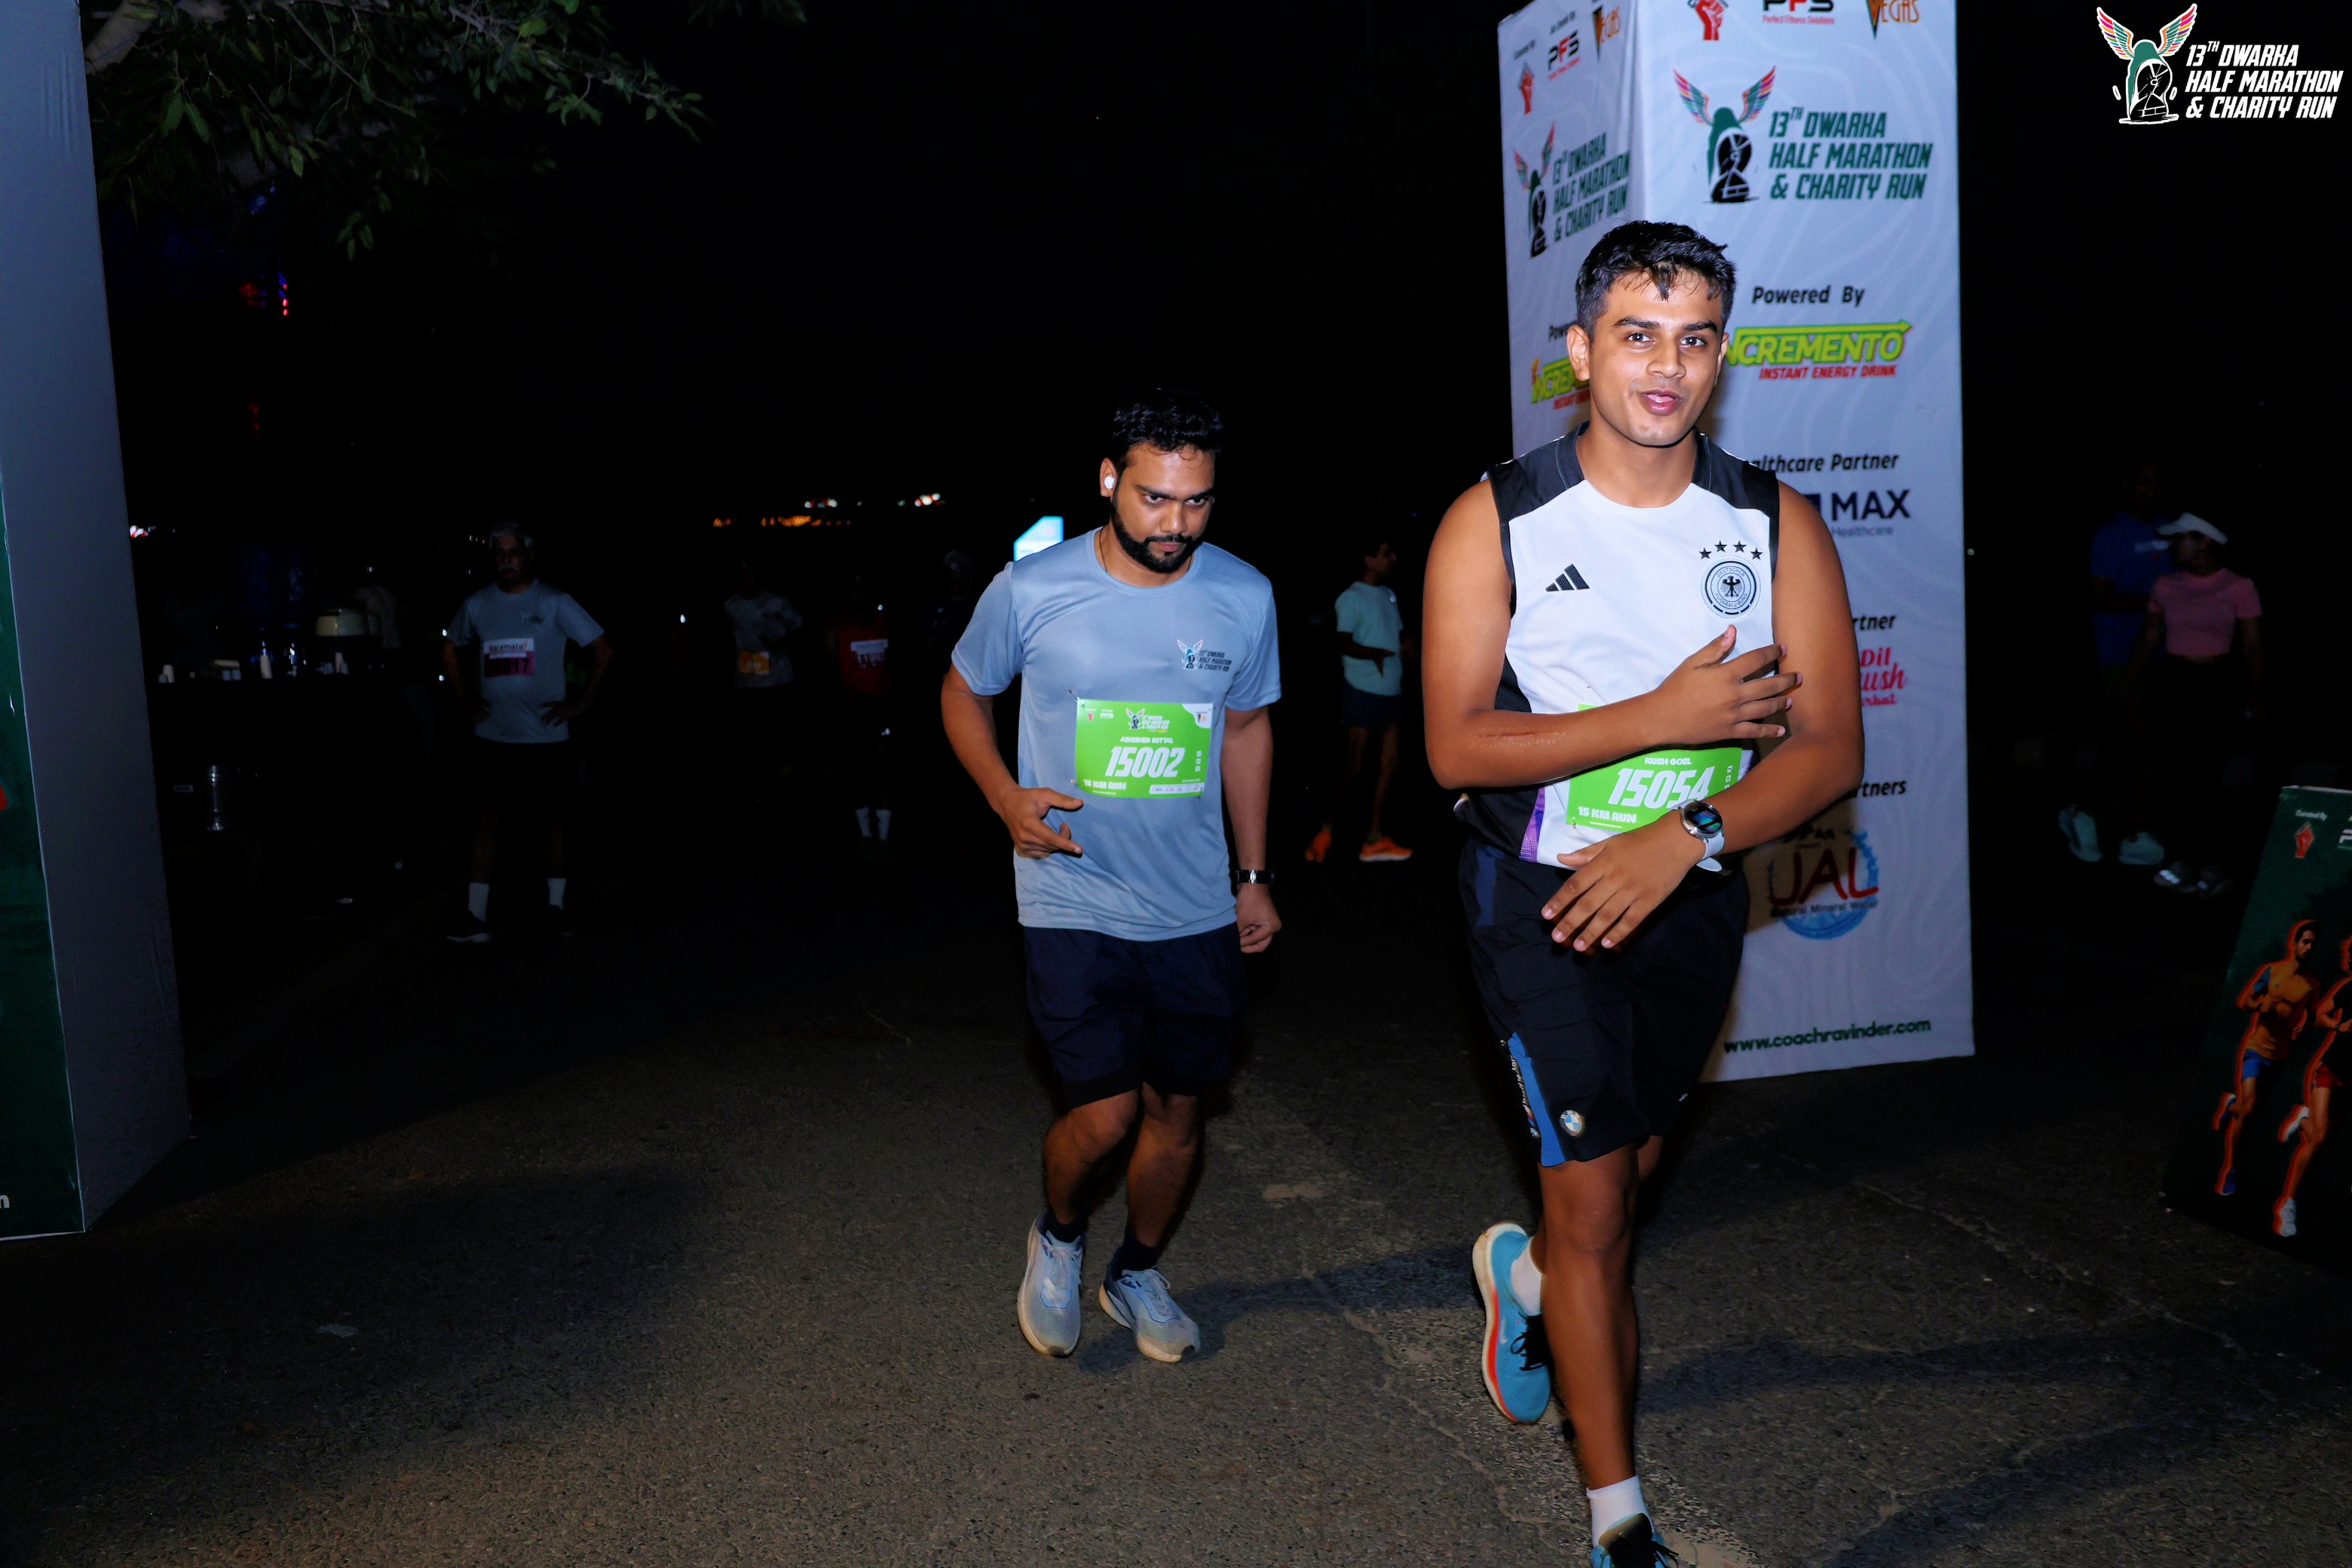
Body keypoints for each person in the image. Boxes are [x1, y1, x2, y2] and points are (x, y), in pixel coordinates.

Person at [1420, 222, 1861, 1568]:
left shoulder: (1773, 521)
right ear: (1580, 351)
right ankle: (1620, 1520)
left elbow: (1831, 750)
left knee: (1631, 1164)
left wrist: (1691, 834)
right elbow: (1456, 745)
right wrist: (1659, 716)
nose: (1666, 368)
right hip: (1537, 896)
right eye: (1636, 336)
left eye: (1694, 339)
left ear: (1720, 356)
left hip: (1692, 888)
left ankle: (1526, 1277)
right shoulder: (1497, 517)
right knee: (1599, 1206)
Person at [942, 389, 1280, 1364]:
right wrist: (1005, 796)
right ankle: (1057, 1236)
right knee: (1104, 1112)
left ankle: (1134, 1271)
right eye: (1154, 498)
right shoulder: (1031, 588)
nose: (1176, 523)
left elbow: (1247, 730)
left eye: (1196, 502)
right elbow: (963, 690)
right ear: (1108, 480)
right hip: (1070, 891)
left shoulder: (1244, 596)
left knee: (1178, 1110)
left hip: (1193, 904)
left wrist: (1254, 873)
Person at [441, 525, 614, 941]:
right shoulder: (478, 603)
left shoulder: (554, 601)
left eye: (514, 551)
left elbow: (604, 650)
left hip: (546, 737)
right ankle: (475, 914)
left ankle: (555, 907)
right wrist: (464, 699)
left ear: (529, 556)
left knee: (554, 819)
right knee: (486, 820)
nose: (507, 559)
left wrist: (579, 705)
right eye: (499, 553)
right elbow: (450, 647)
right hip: (493, 735)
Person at [2122, 513, 2263, 897]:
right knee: (2176, 775)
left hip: (2216, 684)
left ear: (2203, 541)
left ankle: (2210, 863)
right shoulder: (2165, 585)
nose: (2173, 546)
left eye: (2180, 538)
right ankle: (2181, 859)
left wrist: (2256, 691)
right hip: (2173, 682)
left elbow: (2252, 643)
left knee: (2207, 774)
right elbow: (2150, 636)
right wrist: (2128, 684)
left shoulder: (2238, 585)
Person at [2059, 460, 2173, 865]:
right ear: (2128, 485)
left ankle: (2132, 831)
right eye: (2143, 480)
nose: (2150, 487)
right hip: (2120, 654)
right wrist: (2155, 603)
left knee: (2141, 743)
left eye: (2156, 480)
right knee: (2134, 739)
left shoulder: (2168, 530)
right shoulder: (2110, 534)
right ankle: (2088, 812)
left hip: (2164, 652)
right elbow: (2100, 597)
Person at [1304, 537, 1413, 865]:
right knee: (1355, 767)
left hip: (1392, 689)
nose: (1393, 559)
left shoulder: (1389, 594)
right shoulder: (1350, 597)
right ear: (1368, 559)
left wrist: (1406, 648)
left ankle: (1374, 839)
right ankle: (1325, 829)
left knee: (1391, 765)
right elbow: (1343, 642)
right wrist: (1376, 653)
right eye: (1386, 554)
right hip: (1362, 690)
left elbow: (1395, 637)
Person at [2212, 919, 2317, 1198]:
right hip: (2256, 1049)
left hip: (2279, 1056)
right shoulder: (2272, 971)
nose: (2308, 947)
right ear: (2294, 944)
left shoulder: (2312, 985)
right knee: (2248, 1111)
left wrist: (2303, 1028)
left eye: (2313, 944)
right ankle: (2231, 1171)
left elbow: (2312, 1015)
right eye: (2305, 941)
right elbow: (2245, 1000)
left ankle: (2231, 1105)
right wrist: (2260, 1005)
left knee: (2250, 1110)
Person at [2274, 934, 2346, 1238]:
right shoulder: (2350, 987)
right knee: (2317, 1140)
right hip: (2331, 1068)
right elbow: (2320, 1015)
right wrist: (2339, 1025)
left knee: (2321, 1137)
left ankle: (2303, 1118)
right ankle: (2287, 1204)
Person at [721, 559, 804, 801]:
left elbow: (799, 626)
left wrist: (783, 643)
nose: (746, 577)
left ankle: (786, 775)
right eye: (741, 572)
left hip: (778, 678)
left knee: (779, 729)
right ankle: (762, 786)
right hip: (747, 679)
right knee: (754, 731)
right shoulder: (730, 605)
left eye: (751, 572)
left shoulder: (775, 601)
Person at [829, 581, 895, 856]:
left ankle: (884, 838)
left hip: (881, 706)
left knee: (881, 771)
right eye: (853, 587)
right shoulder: (837, 625)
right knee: (858, 772)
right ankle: (865, 836)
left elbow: (896, 662)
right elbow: (829, 668)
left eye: (862, 586)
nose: (858, 592)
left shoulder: (884, 621)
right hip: (852, 708)